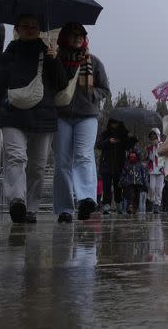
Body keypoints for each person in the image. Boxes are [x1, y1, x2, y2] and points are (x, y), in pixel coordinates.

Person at [0, 14, 68, 224]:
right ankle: (17, 201)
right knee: (16, 158)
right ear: (17, 29)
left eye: (34, 25)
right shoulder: (9, 55)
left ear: (39, 29)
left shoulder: (48, 53)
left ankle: (31, 208)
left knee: (37, 167)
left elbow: (62, 84)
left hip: (43, 116)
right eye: (25, 25)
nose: (30, 29)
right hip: (13, 115)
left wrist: (54, 59)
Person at [53, 23, 110, 223]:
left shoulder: (93, 62)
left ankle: (86, 199)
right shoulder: (56, 59)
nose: (77, 38)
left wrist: (92, 93)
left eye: (81, 35)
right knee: (62, 162)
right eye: (73, 35)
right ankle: (64, 208)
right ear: (64, 37)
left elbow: (105, 89)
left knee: (84, 155)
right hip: (61, 115)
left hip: (87, 115)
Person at [98, 119, 137, 214]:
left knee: (118, 186)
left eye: (117, 123)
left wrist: (132, 138)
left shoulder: (123, 135)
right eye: (113, 123)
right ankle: (106, 204)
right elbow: (99, 145)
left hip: (119, 165)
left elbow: (128, 147)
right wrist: (108, 141)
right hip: (106, 165)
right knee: (106, 187)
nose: (115, 125)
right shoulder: (105, 134)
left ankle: (119, 203)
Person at [119, 146, 148, 214]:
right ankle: (130, 206)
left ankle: (134, 208)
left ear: (137, 157)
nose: (132, 158)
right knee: (131, 195)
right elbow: (123, 174)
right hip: (129, 183)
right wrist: (121, 182)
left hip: (138, 184)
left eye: (134, 157)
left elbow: (144, 175)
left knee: (137, 197)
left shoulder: (140, 165)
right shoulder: (127, 165)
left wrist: (145, 184)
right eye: (131, 157)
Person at [145, 128, 165, 214]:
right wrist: (150, 151)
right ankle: (152, 201)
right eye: (151, 136)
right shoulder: (150, 147)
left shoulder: (163, 145)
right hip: (152, 170)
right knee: (152, 187)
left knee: (159, 188)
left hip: (161, 170)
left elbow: (163, 156)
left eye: (154, 136)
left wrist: (157, 147)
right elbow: (151, 159)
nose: (152, 138)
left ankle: (157, 205)